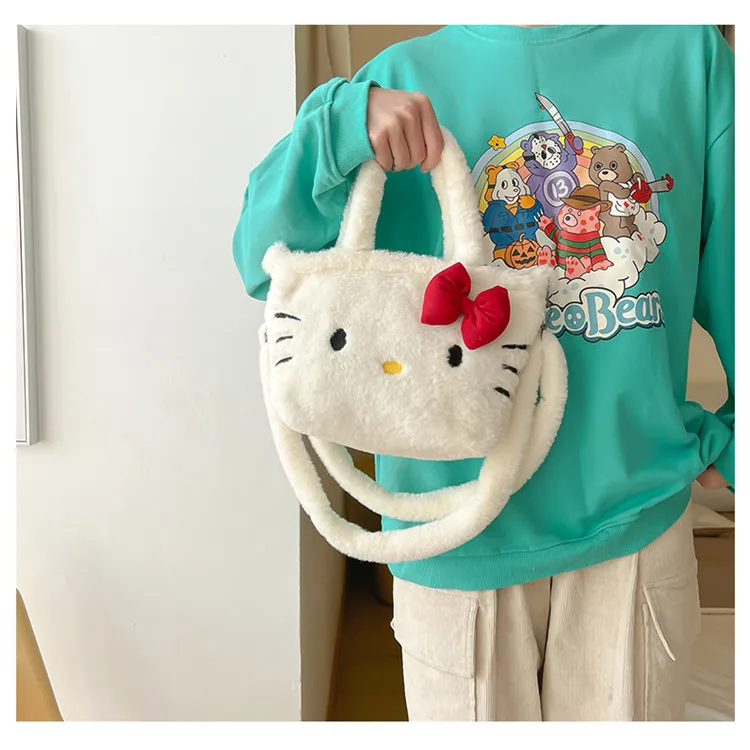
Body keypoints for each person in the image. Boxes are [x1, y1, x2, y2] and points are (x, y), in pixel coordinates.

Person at [232, 25, 734, 721]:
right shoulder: (396, 78)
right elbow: (261, 260)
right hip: (449, 529)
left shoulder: (687, 57)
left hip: (633, 522)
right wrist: (339, 125)